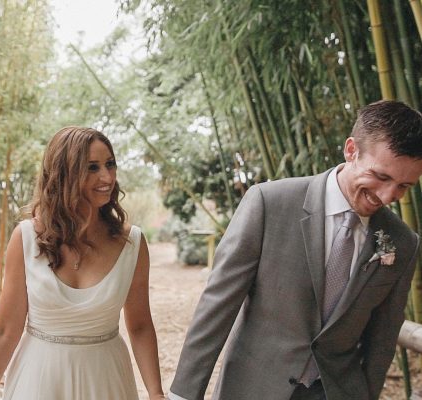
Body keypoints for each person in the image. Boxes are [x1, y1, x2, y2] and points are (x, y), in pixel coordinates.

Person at [169, 100, 422, 400]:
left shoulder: (403, 242)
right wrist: (184, 394)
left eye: (403, 186)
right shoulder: (269, 203)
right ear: (351, 150)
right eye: (381, 177)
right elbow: (217, 305)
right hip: (254, 388)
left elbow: (382, 339)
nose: (387, 196)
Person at [0, 127, 165, 400]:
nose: (107, 177)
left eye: (110, 164)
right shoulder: (27, 239)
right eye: (92, 168)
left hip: (106, 380)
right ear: (65, 175)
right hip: (39, 381)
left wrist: (156, 394)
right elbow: (5, 330)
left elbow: (140, 325)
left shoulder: (132, 243)